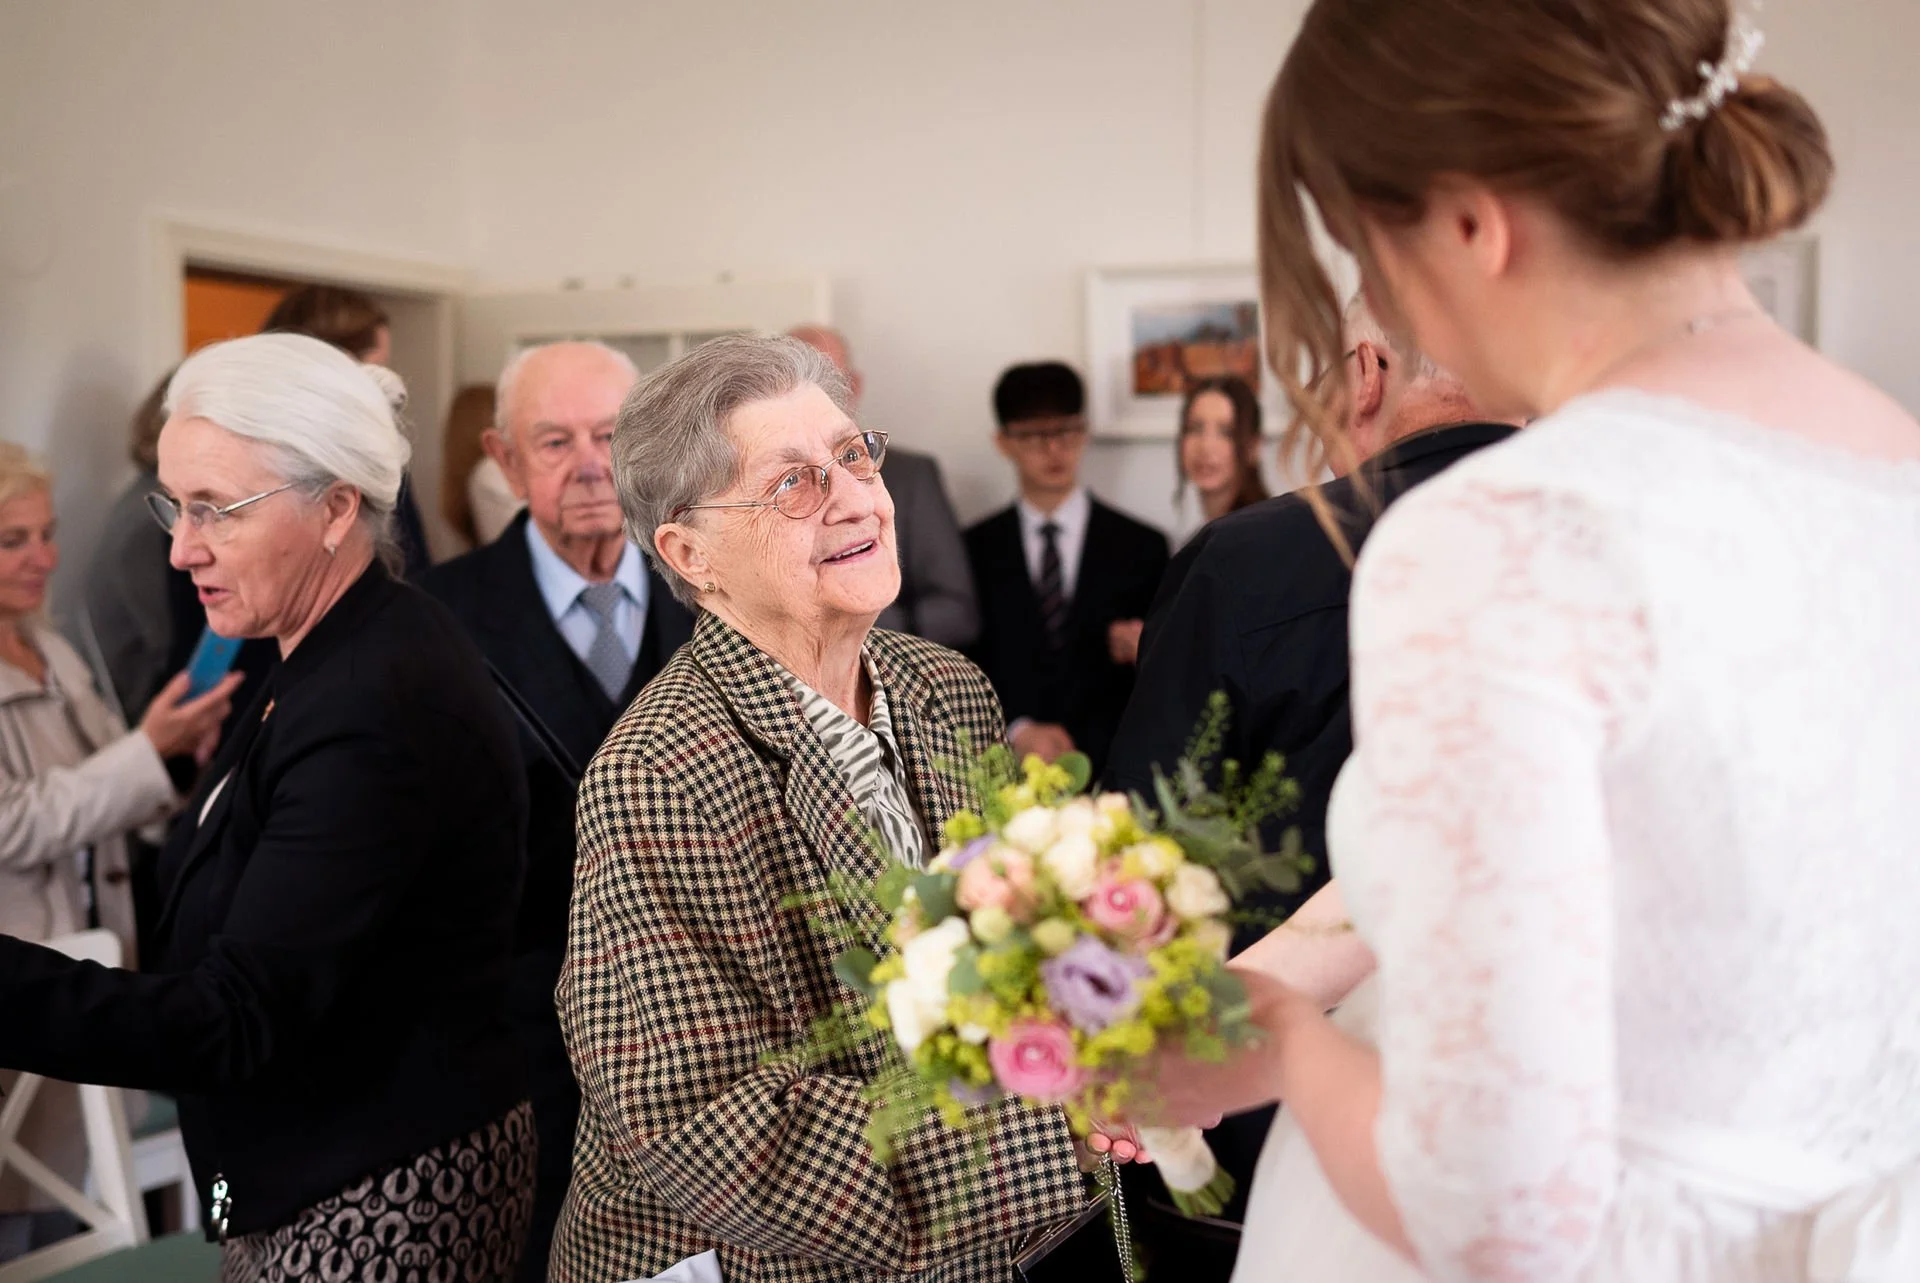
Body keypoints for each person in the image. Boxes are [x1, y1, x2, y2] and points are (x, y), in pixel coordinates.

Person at [1135, 2, 1920, 1281]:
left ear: (1469, 222)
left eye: (1365, 248)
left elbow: (1497, 1209)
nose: (1374, 302)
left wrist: (1285, 1044)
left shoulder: (1508, 531)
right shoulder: (1891, 468)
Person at [551, 334, 1087, 1283]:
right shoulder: (658, 773)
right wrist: (1056, 1125)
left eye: (851, 454)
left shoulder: (947, 688)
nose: (854, 498)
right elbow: (713, 1127)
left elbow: (1011, 958)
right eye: (791, 483)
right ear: (690, 553)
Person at [0, 334, 535, 1282]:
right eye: (175, 505)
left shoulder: (373, 700)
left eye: (215, 508)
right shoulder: (325, 648)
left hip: (374, 1189)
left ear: (336, 508)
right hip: (308, 1166)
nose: (182, 548)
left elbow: (235, 1017)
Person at [1102, 298, 1515, 1281]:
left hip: (1266, 1120)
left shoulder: (1248, 561)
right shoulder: (1609, 545)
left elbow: (1141, 858)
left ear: (1366, 374)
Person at [423, 340, 694, 1283]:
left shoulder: (716, 587)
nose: (588, 465)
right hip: (521, 1049)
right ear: (503, 460)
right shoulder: (436, 618)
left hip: (706, 1042)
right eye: (554, 441)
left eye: (611, 436)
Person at [0, 443, 238, 1259]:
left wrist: (175, 757)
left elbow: (118, 787)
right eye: (14, 539)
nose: (43, 558)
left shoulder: (53, 649)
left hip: (94, 969)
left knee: (75, 1213)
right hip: (26, 970)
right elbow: (15, 821)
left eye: (47, 533)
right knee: (26, 1219)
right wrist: (146, 751)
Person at [964, 361, 1168, 777]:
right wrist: (1016, 729)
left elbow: (1168, 672)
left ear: (1085, 432)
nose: (1054, 449)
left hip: (1122, 768)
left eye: (1066, 432)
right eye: (1033, 436)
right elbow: (964, 663)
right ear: (1003, 442)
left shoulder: (1143, 547)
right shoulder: (973, 548)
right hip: (1006, 771)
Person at [788, 325, 980, 648]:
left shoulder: (910, 476)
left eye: (827, 382)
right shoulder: (755, 483)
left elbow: (956, 612)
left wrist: (853, 623)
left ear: (854, 386)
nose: (811, 397)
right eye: (794, 384)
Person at [262, 284, 434, 577]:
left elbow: (410, 567)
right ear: (332, 363)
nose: (381, 384)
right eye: (372, 367)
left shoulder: (379, 450)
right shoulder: (245, 455)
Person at [1172, 375, 1269, 547]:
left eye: (1226, 432)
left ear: (1253, 447)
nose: (1206, 446)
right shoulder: (1199, 540)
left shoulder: (1263, 535)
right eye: (1195, 428)